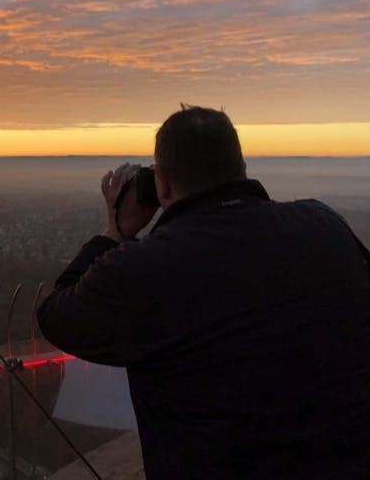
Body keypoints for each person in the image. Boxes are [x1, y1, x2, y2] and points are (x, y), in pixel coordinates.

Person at [36, 105, 370, 478]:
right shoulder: (325, 228)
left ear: (161, 182)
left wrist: (114, 231)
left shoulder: (145, 268)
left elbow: (57, 315)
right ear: (240, 167)